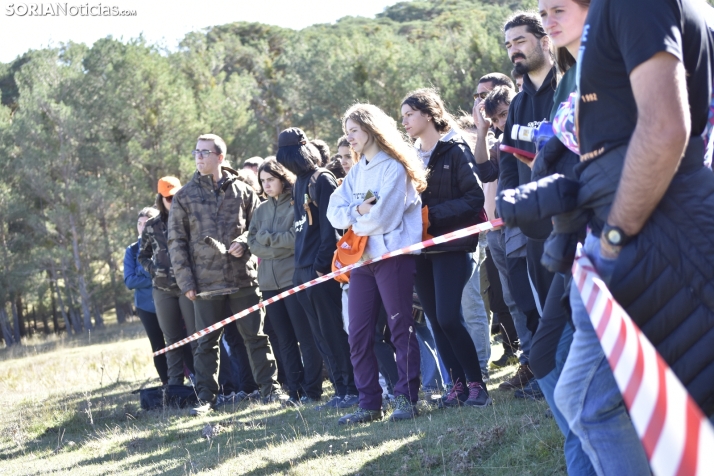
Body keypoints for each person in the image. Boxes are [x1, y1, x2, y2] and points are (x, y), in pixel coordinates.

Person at [552, 0, 714, 474]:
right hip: (657, 227)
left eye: (556, 7)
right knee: (585, 400)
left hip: (659, 232)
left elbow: (665, 129)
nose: (546, 17)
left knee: (595, 403)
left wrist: (613, 237)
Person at [168, 134, 282, 416]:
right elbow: (176, 243)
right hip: (205, 285)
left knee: (256, 337)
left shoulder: (243, 191)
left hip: (242, 278)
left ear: (220, 157)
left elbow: (257, 226)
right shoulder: (184, 196)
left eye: (205, 152)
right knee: (205, 343)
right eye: (196, 152)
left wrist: (244, 241)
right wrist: (186, 282)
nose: (199, 157)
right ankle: (206, 398)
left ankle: (271, 390)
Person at [327, 104, 425, 424]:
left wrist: (356, 217)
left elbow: (384, 217)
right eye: (347, 132)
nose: (349, 138)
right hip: (361, 262)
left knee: (400, 328)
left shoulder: (393, 168)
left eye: (353, 130)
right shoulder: (355, 171)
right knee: (357, 333)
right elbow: (334, 213)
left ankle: (407, 398)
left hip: (392, 257)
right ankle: (369, 403)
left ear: (371, 128)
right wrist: (359, 211)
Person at [401, 88, 490, 407]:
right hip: (421, 251)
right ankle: (457, 386)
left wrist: (431, 216)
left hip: (452, 246)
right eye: (403, 116)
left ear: (428, 114)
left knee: (451, 317)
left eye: (410, 114)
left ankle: (478, 384)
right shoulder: (409, 156)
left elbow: (474, 198)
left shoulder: (454, 149)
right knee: (436, 321)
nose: (405, 121)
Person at [497, 12, 559, 393]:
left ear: (544, 40)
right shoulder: (518, 104)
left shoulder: (570, 86)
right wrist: (507, 200)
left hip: (572, 216)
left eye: (520, 41)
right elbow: (507, 158)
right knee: (543, 305)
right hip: (534, 222)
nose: (513, 50)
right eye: (508, 45)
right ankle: (551, 375)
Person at [276, 128, 359, 410]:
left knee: (333, 331)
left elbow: (329, 229)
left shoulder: (321, 179)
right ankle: (339, 390)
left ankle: (351, 390)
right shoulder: (299, 182)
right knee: (320, 335)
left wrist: (321, 267)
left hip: (318, 270)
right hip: (300, 270)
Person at [248, 158, 324, 406]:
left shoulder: (296, 203)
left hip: (292, 280)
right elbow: (252, 244)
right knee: (283, 339)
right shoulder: (260, 209)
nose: (266, 185)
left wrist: (268, 241)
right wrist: (273, 246)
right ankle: (294, 390)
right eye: (262, 181)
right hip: (268, 284)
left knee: (305, 336)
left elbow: (296, 240)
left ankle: (312, 389)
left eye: (270, 180)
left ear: (282, 178)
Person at [138, 178, 197, 388]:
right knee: (172, 339)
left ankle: (204, 382)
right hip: (163, 289)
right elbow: (142, 255)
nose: (173, 201)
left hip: (188, 287)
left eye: (177, 197)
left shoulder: (191, 220)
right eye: (169, 198)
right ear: (161, 200)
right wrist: (154, 270)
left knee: (195, 336)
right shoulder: (152, 226)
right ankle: (174, 386)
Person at [124, 206, 168, 385]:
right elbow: (130, 281)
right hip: (146, 306)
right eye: (139, 223)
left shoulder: (164, 244)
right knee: (158, 347)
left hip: (169, 300)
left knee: (180, 343)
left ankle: (192, 380)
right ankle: (169, 385)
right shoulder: (132, 250)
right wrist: (155, 277)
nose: (142, 227)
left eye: (146, 223)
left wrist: (144, 273)